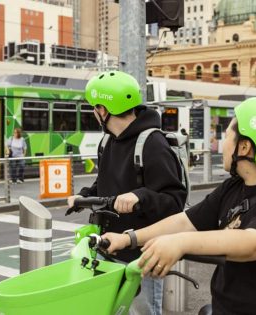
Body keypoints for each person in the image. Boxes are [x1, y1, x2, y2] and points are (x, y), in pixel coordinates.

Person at [103, 97, 256, 315]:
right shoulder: (234, 186)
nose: (223, 144)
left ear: (244, 147)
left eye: (228, 136)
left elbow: (253, 243)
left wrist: (181, 243)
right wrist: (128, 238)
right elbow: (186, 221)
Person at [68, 71, 187, 315]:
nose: (94, 113)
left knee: (141, 312)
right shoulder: (108, 141)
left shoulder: (153, 144)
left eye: (95, 107)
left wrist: (139, 197)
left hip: (141, 254)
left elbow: (175, 201)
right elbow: (107, 182)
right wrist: (84, 195)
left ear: (104, 109)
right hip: (109, 246)